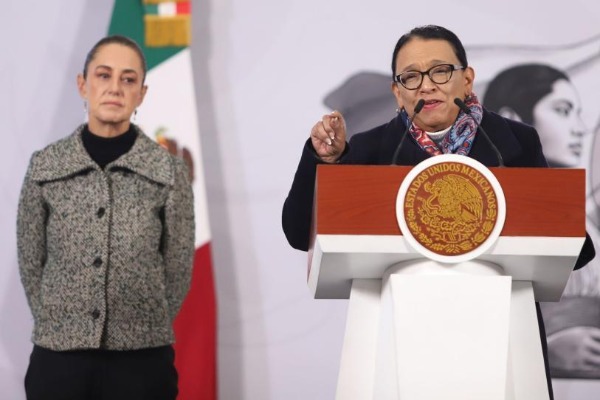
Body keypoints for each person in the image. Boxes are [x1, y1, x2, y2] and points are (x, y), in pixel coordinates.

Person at [282, 25, 595, 398]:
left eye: (440, 71)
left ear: (467, 79)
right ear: (397, 92)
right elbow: (299, 233)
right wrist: (324, 161)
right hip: (396, 334)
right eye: (411, 77)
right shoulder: (372, 148)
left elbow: (573, 246)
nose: (426, 86)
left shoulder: (513, 141)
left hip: (503, 333)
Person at [16, 35, 195, 400]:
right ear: (83, 84)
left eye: (128, 79)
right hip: (59, 361)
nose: (115, 88)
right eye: (103, 75)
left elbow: (178, 268)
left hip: (142, 363)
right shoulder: (45, 166)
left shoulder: (168, 171)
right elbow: (31, 260)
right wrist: (62, 320)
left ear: (141, 94)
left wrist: (142, 322)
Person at [484, 63, 600, 378]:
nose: (580, 128)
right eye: (562, 111)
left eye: (578, 113)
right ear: (512, 119)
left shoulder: (578, 216)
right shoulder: (479, 210)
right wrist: (546, 347)